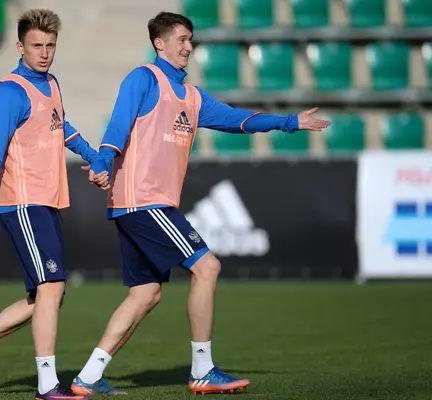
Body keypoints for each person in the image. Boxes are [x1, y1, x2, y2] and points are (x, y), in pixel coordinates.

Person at [70, 11, 331, 396]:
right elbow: (118, 125)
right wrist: (103, 161)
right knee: (207, 267)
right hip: (144, 200)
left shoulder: (192, 97)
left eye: (191, 40)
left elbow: (237, 120)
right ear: (159, 43)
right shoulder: (144, 78)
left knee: (145, 294)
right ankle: (203, 370)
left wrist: (289, 122)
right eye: (182, 39)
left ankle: (89, 376)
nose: (189, 47)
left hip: (139, 204)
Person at [0, 9, 108, 400]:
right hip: (21, 202)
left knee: (47, 296)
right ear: (20, 47)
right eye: (37, 45)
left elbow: (61, 125)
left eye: (50, 45)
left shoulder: (51, 83)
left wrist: (92, 154)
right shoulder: (10, 92)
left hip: (46, 201)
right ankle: (47, 385)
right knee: (52, 287)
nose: (45, 53)